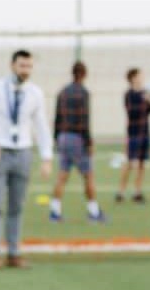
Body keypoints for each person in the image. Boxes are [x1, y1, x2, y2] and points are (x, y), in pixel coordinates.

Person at [0, 49, 53, 271]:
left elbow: (42, 126)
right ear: (12, 65)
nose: (25, 70)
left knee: (17, 206)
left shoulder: (35, 93)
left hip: (23, 153)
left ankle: (14, 253)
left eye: (29, 66)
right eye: (22, 65)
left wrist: (47, 157)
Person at [49, 61, 104, 222]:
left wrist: (56, 139)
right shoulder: (83, 93)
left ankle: (55, 211)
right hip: (77, 138)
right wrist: (89, 143)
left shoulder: (62, 92)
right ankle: (93, 212)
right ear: (84, 74)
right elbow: (84, 120)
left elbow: (57, 118)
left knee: (62, 176)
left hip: (63, 137)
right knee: (88, 176)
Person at [115, 67, 150, 204]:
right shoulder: (129, 94)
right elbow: (132, 112)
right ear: (133, 78)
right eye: (139, 76)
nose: (142, 78)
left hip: (144, 131)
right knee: (130, 162)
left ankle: (137, 191)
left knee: (142, 163)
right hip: (133, 132)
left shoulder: (145, 92)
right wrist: (145, 100)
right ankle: (121, 191)